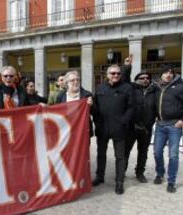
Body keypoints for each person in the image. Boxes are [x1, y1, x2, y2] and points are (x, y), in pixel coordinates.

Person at [92, 65, 134, 195]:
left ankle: (119, 182)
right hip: (103, 128)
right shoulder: (100, 88)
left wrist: (123, 121)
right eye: (113, 73)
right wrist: (97, 122)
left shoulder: (127, 88)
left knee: (120, 157)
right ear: (107, 74)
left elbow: (131, 107)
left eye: (118, 73)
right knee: (101, 154)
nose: (116, 75)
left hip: (119, 129)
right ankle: (100, 177)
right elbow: (95, 108)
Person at [153, 65, 183, 193]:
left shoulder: (181, 87)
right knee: (157, 152)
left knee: (173, 155)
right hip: (160, 125)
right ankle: (160, 173)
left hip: (174, 126)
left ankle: (171, 181)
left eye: (171, 72)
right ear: (161, 74)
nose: (168, 74)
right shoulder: (157, 87)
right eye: (165, 72)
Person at [124, 72, 157, 183]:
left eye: (148, 78)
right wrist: (127, 68)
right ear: (136, 79)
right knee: (125, 151)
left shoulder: (154, 91)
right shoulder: (131, 89)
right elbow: (124, 79)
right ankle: (121, 172)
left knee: (143, 152)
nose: (145, 80)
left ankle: (139, 173)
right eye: (142, 78)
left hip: (146, 128)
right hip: (131, 127)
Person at [55, 70, 94, 136]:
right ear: (67, 83)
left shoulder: (87, 95)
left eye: (77, 80)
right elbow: (57, 112)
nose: (76, 82)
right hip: (67, 131)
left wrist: (92, 105)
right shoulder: (61, 96)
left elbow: (95, 112)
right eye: (72, 80)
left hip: (83, 131)